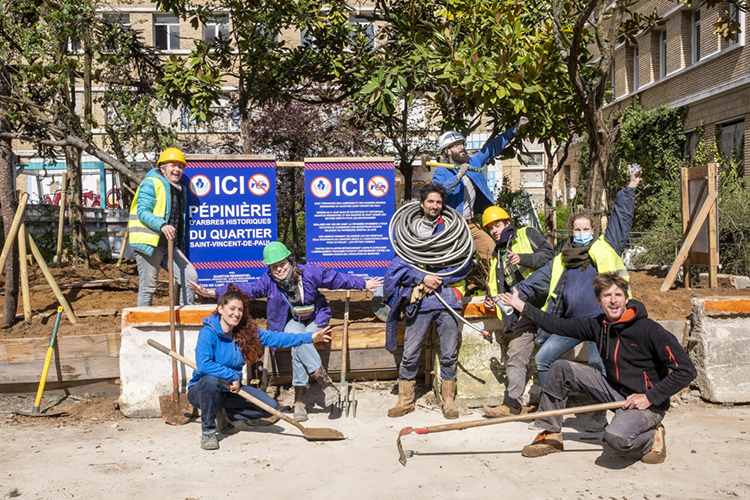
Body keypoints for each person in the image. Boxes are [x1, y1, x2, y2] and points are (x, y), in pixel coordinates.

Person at [497, 165, 643, 431]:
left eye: (585, 228)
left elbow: (621, 219)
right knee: (544, 359)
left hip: (603, 323)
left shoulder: (604, 247)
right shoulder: (562, 258)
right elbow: (540, 278)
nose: (581, 233)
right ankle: (552, 413)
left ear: (594, 230)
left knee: (601, 368)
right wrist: (520, 291)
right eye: (576, 230)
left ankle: (599, 415)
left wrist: (630, 189)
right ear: (570, 232)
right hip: (572, 324)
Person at [498, 273, 697, 464]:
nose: (613, 301)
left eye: (618, 295)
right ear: (598, 301)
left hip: (646, 403)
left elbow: (686, 370)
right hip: (614, 392)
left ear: (626, 299)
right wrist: (522, 306)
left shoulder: (649, 330)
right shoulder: (598, 326)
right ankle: (551, 434)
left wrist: (649, 397)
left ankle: (652, 436)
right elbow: (558, 325)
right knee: (561, 368)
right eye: (607, 296)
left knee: (617, 440)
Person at [189, 242, 382, 422]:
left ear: (290, 262)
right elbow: (244, 289)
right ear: (269, 269)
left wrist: (362, 284)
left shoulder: (310, 272)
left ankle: (300, 400)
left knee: (300, 343)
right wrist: (211, 293)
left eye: (282, 264)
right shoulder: (268, 281)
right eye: (274, 267)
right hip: (291, 321)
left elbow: (335, 279)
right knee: (298, 340)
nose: (279, 269)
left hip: (315, 318)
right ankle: (326, 386)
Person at [188, 286, 333, 450]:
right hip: (202, 391)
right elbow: (204, 364)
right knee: (210, 380)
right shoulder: (208, 332)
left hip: (230, 391)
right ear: (220, 309)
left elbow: (277, 338)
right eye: (232, 309)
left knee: (270, 409)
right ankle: (208, 432)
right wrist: (232, 376)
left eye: (240, 309)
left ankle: (225, 414)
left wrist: (309, 337)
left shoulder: (245, 333)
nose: (237, 313)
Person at [384, 182, 472, 420]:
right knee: (411, 350)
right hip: (420, 299)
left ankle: (448, 402)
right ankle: (405, 401)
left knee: (449, 352)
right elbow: (399, 267)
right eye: (430, 201)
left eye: (439, 202)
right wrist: (423, 277)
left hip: (447, 299)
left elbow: (464, 264)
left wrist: (440, 279)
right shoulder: (408, 232)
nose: (435, 206)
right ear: (421, 203)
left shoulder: (452, 229)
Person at [480, 206, 554, 418]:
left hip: (545, 305)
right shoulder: (496, 255)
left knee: (550, 357)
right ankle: (512, 404)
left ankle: (551, 408)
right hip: (521, 312)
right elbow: (499, 287)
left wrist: (523, 259)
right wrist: (491, 300)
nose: (494, 231)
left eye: (497, 225)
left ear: (507, 222)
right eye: (490, 228)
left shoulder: (527, 234)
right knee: (516, 354)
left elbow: (551, 257)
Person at [431, 117, 528, 263]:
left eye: (462, 144)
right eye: (456, 145)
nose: (462, 147)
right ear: (447, 151)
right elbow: (437, 193)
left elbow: (493, 147)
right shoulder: (441, 171)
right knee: (455, 263)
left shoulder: (473, 162)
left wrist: (515, 129)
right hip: (449, 226)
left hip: (470, 225)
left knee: (494, 257)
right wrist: (458, 176)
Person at [129, 147, 198, 306]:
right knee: (149, 286)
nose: (177, 169)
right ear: (162, 168)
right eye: (172, 165)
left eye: (180, 166)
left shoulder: (179, 188)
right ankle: (142, 327)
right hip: (149, 244)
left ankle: (185, 320)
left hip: (169, 245)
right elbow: (143, 212)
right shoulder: (151, 183)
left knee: (190, 278)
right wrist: (162, 225)